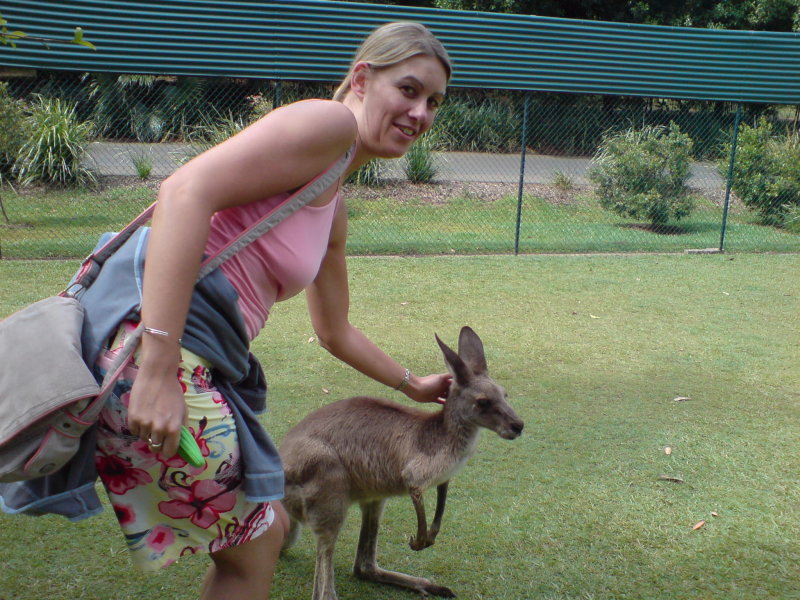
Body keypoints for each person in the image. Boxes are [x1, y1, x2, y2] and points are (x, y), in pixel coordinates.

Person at [96, 21, 453, 599]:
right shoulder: (328, 124)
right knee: (260, 537)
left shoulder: (334, 198)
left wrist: (412, 386)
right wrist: (159, 365)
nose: (421, 113)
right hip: (158, 351)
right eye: (408, 90)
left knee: (267, 529)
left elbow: (333, 330)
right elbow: (184, 192)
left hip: (201, 357)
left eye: (433, 101)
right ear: (362, 79)